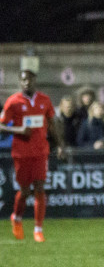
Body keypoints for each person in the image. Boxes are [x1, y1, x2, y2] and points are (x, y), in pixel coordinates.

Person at [0, 65, 65, 242]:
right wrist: (19, 129)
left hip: (40, 151)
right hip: (21, 153)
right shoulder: (13, 101)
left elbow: (52, 123)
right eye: (23, 80)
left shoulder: (44, 100)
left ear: (35, 81)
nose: (27, 82)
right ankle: (17, 218)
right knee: (25, 190)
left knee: (40, 188)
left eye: (29, 79)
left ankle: (38, 229)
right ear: (20, 82)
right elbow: (1, 124)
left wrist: (60, 145)